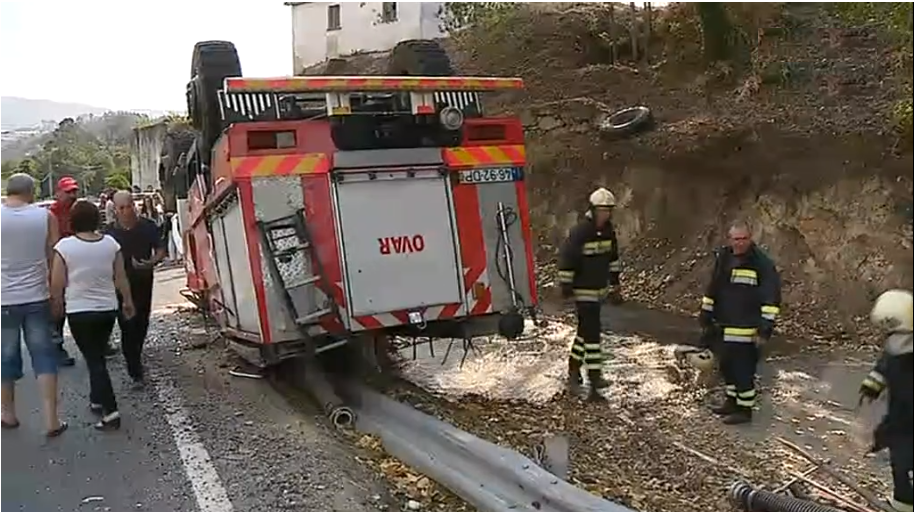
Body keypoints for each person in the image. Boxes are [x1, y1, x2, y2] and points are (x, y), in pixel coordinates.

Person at [51, 200, 135, 431]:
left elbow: (57, 282)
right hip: (107, 308)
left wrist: (56, 305)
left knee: (94, 360)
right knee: (97, 354)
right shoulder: (110, 244)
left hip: (79, 310)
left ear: (73, 220)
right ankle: (97, 398)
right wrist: (127, 301)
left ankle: (111, 412)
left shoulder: (64, 247)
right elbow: (120, 277)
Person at [1, 174, 68, 437]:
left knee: (5, 356)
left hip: (3, 298)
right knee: (43, 355)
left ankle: (7, 412)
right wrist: (56, 295)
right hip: (37, 296)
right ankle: (51, 419)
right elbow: (56, 257)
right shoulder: (45, 217)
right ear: (31, 192)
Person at [699, 221, 781, 425]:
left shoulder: (761, 263)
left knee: (743, 370)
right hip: (724, 326)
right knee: (727, 367)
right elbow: (713, 288)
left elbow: (771, 299)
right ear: (730, 239)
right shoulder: (724, 258)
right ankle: (732, 402)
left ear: (750, 238)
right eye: (736, 239)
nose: (740, 243)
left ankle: (744, 410)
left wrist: (765, 329)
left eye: (744, 239)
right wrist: (706, 314)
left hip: (747, 329)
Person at [558, 187, 623, 402]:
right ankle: (595, 381)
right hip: (583, 290)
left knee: (585, 332)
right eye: (602, 211)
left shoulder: (608, 231)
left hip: (599, 289)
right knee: (593, 334)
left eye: (609, 211)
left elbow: (613, 259)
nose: (606, 215)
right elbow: (567, 259)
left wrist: (615, 285)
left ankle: (573, 368)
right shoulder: (580, 232)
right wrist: (566, 286)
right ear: (593, 210)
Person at [104, 190, 166, 389]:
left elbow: (160, 250)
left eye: (128, 206)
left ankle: (136, 354)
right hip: (120, 285)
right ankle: (134, 369)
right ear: (115, 210)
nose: (126, 211)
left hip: (143, 281)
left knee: (141, 322)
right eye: (121, 208)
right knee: (126, 324)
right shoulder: (110, 233)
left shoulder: (147, 226)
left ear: (135, 205)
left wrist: (150, 262)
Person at [859, 289, 913, 512]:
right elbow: (886, 363)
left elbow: (904, 408)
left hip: (907, 422)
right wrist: (873, 384)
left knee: (904, 465)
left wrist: (885, 431)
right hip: (902, 419)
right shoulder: (898, 343)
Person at [47, 176, 81, 366]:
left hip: (77, 265)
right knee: (58, 309)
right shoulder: (51, 214)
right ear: (58, 193)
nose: (72, 195)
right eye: (68, 192)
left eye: (74, 191)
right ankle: (56, 347)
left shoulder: (78, 211)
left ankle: (97, 343)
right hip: (58, 265)